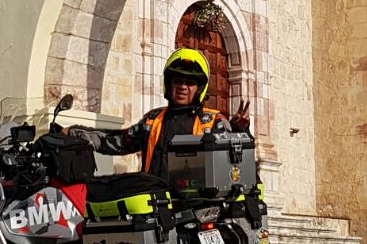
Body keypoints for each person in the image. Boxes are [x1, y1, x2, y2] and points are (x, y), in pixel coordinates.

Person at [68, 48, 251, 181]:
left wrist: (238, 130)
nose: (182, 87)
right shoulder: (153, 119)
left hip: (199, 209)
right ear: (169, 84)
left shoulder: (213, 121)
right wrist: (73, 134)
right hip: (155, 206)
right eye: (178, 81)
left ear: (200, 89)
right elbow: (116, 141)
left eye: (189, 82)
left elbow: (236, 161)